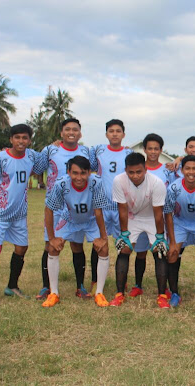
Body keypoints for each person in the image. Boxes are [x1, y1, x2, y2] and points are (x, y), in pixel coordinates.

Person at [0, 124, 44, 305]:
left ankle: (12, 286)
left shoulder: (32, 156)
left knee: (22, 248)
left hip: (19, 214)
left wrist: (55, 145)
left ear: (29, 141)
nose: (21, 141)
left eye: (24, 138)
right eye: (17, 137)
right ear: (11, 139)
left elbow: (43, 164)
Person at [42, 156, 111, 308]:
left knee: (104, 249)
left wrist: (103, 238)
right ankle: (54, 293)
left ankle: (99, 293)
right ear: (68, 172)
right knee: (52, 248)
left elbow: (98, 211)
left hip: (91, 220)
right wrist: (52, 237)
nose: (79, 177)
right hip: (70, 219)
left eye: (83, 173)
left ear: (89, 173)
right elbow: (49, 210)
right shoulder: (61, 184)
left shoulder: (96, 182)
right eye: (75, 173)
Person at [36, 118, 93, 300]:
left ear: (80, 134)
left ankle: (80, 286)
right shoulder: (50, 150)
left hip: (75, 206)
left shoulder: (85, 151)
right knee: (50, 244)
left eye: (75, 129)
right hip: (54, 206)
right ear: (61, 133)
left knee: (77, 246)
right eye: (67, 129)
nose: (71, 132)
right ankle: (47, 287)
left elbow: (95, 169)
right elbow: (37, 167)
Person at [111, 152, 170, 309]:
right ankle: (119, 294)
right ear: (126, 170)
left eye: (139, 172)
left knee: (159, 250)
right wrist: (124, 234)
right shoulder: (119, 180)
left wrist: (159, 237)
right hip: (132, 217)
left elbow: (158, 213)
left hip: (151, 217)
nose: (135, 176)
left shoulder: (156, 183)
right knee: (124, 249)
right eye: (131, 172)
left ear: (145, 169)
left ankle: (162, 295)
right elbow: (122, 210)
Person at [126, 133, 174, 299]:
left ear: (161, 150)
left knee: (160, 252)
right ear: (144, 149)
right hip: (138, 217)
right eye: (150, 148)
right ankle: (138, 285)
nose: (153, 151)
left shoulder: (167, 170)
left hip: (158, 217)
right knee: (140, 253)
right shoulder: (137, 169)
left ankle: (164, 288)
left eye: (156, 148)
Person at [163, 155, 195, 307]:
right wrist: (172, 242)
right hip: (180, 223)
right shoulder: (173, 188)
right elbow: (168, 214)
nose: (191, 172)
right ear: (181, 170)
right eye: (188, 168)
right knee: (172, 254)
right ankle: (174, 294)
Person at [89, 119, 132, 292]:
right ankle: (94, 281)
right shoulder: (98, 150)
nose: (114, 134)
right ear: (106, 134)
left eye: (118, 131)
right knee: (98, 243)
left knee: (123, 244)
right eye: (111, 131)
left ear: (123, 134)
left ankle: (122, 282)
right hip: (103, 206)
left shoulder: (129, 152)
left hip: (122, 207)